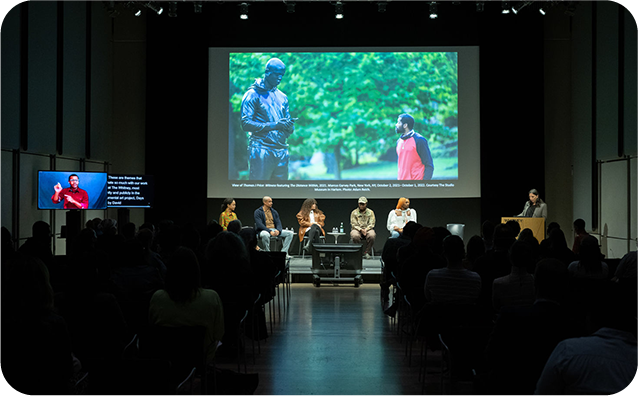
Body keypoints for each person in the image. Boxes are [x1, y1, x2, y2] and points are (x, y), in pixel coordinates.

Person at [149, 247, 224, 364]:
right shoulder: (211, 297)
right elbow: (218, 333)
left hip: (164, 359)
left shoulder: (158, 297)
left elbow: (152, 327)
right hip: (200, 358)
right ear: (196, 270)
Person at [241, 58, 295, 180]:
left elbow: (287, 123)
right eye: (277, 74)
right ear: (267, 72)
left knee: (281, 194)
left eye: (282, 75)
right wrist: (275, 125)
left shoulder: (283, 97)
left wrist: (289, 126)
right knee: (258, 190)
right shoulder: (253, 94)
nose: (279, 78)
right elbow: (245, 123)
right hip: (261, 149)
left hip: (281, 151)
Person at [395, 113, 434, 180]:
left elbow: (429, 165)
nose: (396, 124)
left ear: (405, 125)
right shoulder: (399, 142)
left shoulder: (419, 140)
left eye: (398, 122)